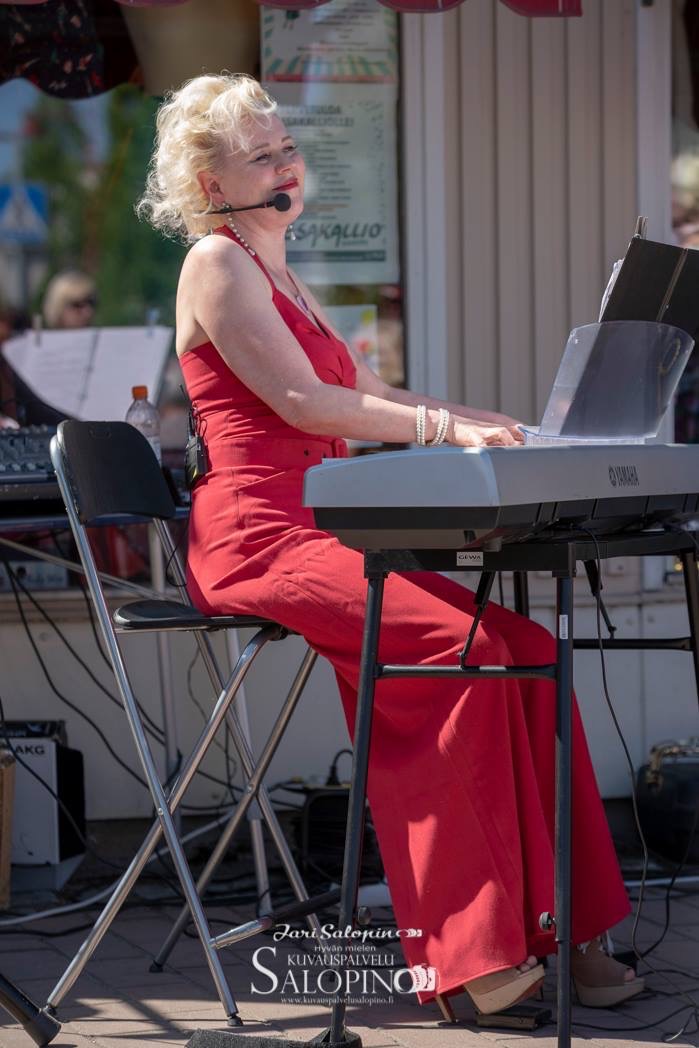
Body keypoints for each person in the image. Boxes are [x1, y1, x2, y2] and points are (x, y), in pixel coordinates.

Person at [137, 73, 643, 1017]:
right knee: (460, 649)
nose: (286, 165)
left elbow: (372, 396)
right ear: (211, 186)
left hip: (317, 525)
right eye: (261, 156)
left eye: (287, 147)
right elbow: (305, 404)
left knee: (527, 648)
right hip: (256, 537)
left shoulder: (283, 274)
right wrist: (449, 433)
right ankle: (470, 956)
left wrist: (509, 429)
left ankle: (564, 926)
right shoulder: (216, 262)